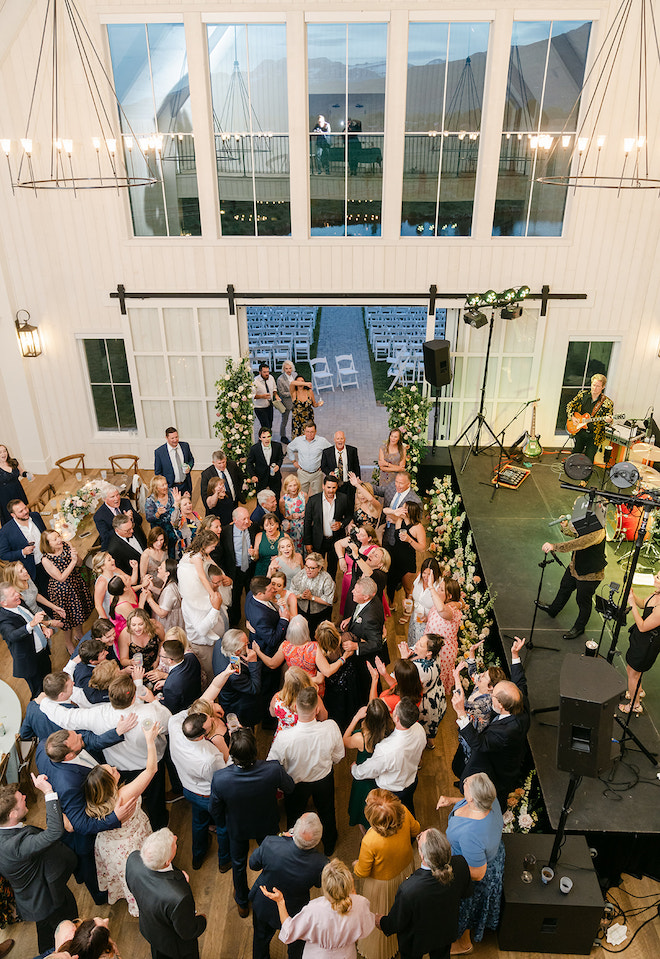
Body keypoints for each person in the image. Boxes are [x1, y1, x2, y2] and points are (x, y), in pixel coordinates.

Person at [209, 727, 295, 918]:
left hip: (237, 826)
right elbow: (289, 787)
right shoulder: (273, 769)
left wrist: (225, 824)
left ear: (232, 755)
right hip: (266, 823)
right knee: (270, 860)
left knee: (238, 864)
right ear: (255, 751)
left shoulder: (220, 778)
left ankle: (242, 902)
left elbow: (214, 809)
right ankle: (272, 894)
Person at [84, 721, 161, 916]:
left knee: (123, 874)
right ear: (110, 783)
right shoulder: (124, 794)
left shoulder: (92, 801)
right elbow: (151, 770)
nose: (114, 767)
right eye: (112, 771)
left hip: (110, 847)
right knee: (145, 871)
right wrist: (150, 740)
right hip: (133, 840)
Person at [0, 774, 77, 953]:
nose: (25, 797)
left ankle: (46, 952)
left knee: (45, 929)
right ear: (12, 814)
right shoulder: (15, 846)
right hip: (46, 897)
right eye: (21, 799)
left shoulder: (6, 833)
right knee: (66, 926)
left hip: (32, 897)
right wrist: (48, 791)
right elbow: (54, 833)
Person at [452, 636, 530, 809]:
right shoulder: (519, 700)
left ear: (501, 705)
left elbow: (478, 744)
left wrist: (460, 713)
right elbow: (520, 681)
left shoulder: (506, 731)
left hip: (497, 768)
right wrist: (515, 654)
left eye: (493, 696)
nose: (491, 695)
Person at [268, 686, 344, 855]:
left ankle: (294, 847)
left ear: (295, 708)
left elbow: (272, 764)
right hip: (324, 779)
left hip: (296, 783)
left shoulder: (284, 737)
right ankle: (329, 844)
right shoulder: (330, 727)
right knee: (327, 811)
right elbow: (339, 756)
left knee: (294, 815)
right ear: (317, 709)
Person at [168, 673, 232, 872]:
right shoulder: (209, 756)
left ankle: (197, 856)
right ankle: (224, 861)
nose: (211, 719)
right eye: (210, 723)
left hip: (188, 789)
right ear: (203, 736)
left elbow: (208, 694)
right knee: (222, 826)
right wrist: (222, 743)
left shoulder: (176, 723)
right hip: (208, 794)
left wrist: (228, 671)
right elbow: (225, 775)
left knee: (198, 822)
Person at [378, 828, 472, 959]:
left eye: (420, 837)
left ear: (422, 855)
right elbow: (465, 894)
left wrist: (380, 921)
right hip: (445, 932)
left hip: (415, 941)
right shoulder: (461, 863)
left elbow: (396, 922)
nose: (419, 834)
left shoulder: (408, 889)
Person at [439, 773, 505, 954]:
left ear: (472, 798)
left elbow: (477, 874)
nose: (465, 779)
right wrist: (452, 800)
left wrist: (448, 873)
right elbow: (471, 801)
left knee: (463, 911)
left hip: (474, 872)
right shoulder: (491, 800)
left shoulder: (471, 834)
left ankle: (463, 944)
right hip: (486, 851)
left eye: (467, 782)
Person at [249, 812, 328, 959]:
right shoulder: (321, 863)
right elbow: (318, 884)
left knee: (260, 939)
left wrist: (282, 837)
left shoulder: (271, 843)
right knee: (296, 947)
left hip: (265, 902)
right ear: (317, 841)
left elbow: (253, 864)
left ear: (294, 831)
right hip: (295, 911)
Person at [262, 858, 375, 958]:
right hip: (346, 954)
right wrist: (353, 892)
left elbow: (289, 933)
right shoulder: (361, 903)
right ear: (349, 882)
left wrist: (280, 902)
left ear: (325, 887)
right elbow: (366, 928)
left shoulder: (313, 909)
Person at [353, 789, 420, 959]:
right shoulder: (404, 812)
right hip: (405, 870)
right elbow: (416, 829)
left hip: (381, 883)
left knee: (380, 915)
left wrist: (355, 865)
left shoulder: (370, 840)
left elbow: (362, 872)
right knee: (403, 909)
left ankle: (380, 950)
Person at [126, 828, 206, 959]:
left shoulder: (133, 860)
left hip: (150, 929)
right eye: (173, 843)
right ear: (167, 862)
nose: (175, 837)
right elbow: (187, 931)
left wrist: (177, 877)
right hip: (176, 947)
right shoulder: (179, 897)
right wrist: (202, 920)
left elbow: (132, 887)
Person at [351, 698, 426, 816]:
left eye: (395, 709)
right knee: (409, 812)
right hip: (411, 781)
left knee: (392, 819)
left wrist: (355, 769)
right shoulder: (419, 729)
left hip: (392, 791)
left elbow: (368, 770)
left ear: (397, 718)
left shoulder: (386, 749)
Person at [539, 514, 608, 640]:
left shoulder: (598, 530)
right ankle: (553, 609)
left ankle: (579, 627)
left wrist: (555, 546)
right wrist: (566, 526)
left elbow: (578, 543)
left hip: (590, 573)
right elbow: (576, 533)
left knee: (583, 601)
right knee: (565, 587)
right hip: (576, 565)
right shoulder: (589, 521)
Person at [344, 700, 395, 832]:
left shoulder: (361, 737)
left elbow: (344, 741)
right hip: (383, 778)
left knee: (363, 810)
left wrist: (355, 718)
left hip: (364, 780)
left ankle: (367, 836)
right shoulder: (392, 730)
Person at [41, 529, 94, 654]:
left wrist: (76, 558)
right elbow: (61, 577)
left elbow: (80, 564)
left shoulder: (67, 545)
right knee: (67, 620)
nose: (59, 540)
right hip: (61, 591)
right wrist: (73, 562)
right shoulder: (46, 559)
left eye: (58, 536)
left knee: (78, 612)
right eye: (54, 539)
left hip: (75, 583)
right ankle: (68, 643)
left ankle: (79, 633)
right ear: (48, 544)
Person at [0, 580, 52, 696]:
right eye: (13, 595)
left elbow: (30, 618)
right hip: (30, 661)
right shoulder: (3, 619)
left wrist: (43, 627)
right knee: (39, 692)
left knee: (49, 681)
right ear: (4, 603)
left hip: (42, 652)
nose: (17, 595)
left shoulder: (19, 602)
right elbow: (12, 636)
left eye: (15, 592)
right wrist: (32, 624)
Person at [341, 577, 387, 700]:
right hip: (360, 633)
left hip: (366, 657)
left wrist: (356, 646)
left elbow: (376, 643)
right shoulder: (372, 598)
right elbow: (360, 611)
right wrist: (351, 619)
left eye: (356, 591)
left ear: (366, 596)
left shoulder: (370, 618)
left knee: (366, 684)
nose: (352, 592)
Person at [621, 569, 660, 713]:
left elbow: (643, 627)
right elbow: (644, 604)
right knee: (635, 671)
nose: (655, 578)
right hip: (642, 639)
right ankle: (639, 690)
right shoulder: (656, 594)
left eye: (658, 577)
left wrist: (631, 605)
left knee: (632, 671)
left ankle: (634, 704)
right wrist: (633, 596)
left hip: (648, 643)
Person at [398, 635, 446, 749]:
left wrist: (404, 659)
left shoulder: (421, 670)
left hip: (425, 701)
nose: (416, 645)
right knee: (431, 726)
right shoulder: (436, 656)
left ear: (429, 653)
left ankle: (424, 747)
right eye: (419, 640)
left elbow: (401, 677)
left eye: (420, 644)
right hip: (436, 691)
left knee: (423, 728)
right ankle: (431, 743)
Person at [211, 629, 262, 728]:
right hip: (238, 706)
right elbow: (254, 688)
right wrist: (253, 662)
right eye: (246, 644)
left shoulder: (220, 643)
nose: (249, 644)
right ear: (237, 651)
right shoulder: (234, 674)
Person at [304, 474, 351, 580]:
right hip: (318, 540)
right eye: (328, 487)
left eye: (333, 487)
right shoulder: (313, 500)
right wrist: (308, 542)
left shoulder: (343, 498)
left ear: (337, 487)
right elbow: (307, 522)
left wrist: (341, 524)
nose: (331, 490)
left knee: (332, 568)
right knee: (316, 567)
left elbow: (349, 516)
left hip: (335, 541)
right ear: (323, 486)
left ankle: (330, 590)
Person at [316, 620, 361, 732]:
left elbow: (327, 672)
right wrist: (345, 657)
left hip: (335, 685)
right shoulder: (347, 637)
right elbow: (362, 641)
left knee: (337, 709)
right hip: (350, 678)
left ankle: (338, 728)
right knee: (351, 701)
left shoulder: (322, 651)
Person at [384, 501, 426, 611]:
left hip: (408, 562)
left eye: (404, 508)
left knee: (408, 589)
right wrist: (394, 514)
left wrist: (409, 540)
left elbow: (422, 548)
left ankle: (407, 612)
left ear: (409, 512)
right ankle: (391, 604)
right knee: (390, 584)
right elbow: (385, 511)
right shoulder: (400, 519)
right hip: (394, 559)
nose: (401, 509)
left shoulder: (418, 527)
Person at [426, 576, 463, 697]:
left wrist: (431, 586)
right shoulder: (445, 603)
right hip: (430, 645)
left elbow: (442, 610)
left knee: (435, 680)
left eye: (441, 589)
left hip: (442, 652)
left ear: (450, 595)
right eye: (439, 587)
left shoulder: (451, 610)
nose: (437, 590)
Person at [1, 559, 65, 628]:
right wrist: (49, 623)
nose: (25, 571)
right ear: (14, 577)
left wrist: (54, 607)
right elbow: (27, 619)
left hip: (40, 613)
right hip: (33, 622)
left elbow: (36, 595)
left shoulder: (27, 578)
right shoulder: (16, 595)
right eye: (21, 571)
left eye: (23, 568)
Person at [566, 372, 614, 463]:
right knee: (575, 454)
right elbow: (570, 405)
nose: (594, 388)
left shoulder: (608, 403)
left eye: (598, 386)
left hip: (594, 435)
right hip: (580, 431)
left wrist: (609, 420)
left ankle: (586, 475)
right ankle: (571, 472)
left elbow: (609, 419)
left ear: (603, 387)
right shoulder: (582, 395)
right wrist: (572, 417)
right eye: (593, 385)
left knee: (589, 458)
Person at [0, 498, 47, 590]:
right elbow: (3, 555)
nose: (26, 512)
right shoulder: (5, 531)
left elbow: (45, 534)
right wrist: (22, 552)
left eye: (25, 508)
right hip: (33, 570)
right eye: (21, 511)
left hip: (48, 559)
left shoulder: (36, 516)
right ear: (13, 515)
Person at [219, 506, 253, 626]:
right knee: (235, 598)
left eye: (248, 518)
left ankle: (252, 620)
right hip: (234, 571)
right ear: (234, 520)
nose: (247, 521)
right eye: (243, 519)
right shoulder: (226, 532)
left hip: (250, 569)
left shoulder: (253, 528)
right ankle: (235, 623)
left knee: (252, 596)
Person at [335, 524, 379, 616]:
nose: (358, 537)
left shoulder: (373, 551)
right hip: (348, 577)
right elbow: (337, 544)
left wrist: (356, 571)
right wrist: (341, 558)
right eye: (358, 533)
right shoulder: (352, 541)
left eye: (362, 535)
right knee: (346, 600)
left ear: (369, 538)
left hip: (360, 581)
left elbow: (370, 570)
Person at [290, 551, 336, 636]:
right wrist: (301, 596)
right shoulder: (301, 574)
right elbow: (292, 590)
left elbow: (329, 600)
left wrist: (312, 598)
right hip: (302, 611)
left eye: (312, 568)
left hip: (320, 614)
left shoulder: (326, 579)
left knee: (318, 636)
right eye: (306, 566)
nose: (308, 570)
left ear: (319, 568)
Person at [157, 639, 202, 714]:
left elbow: (170, 709)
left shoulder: (171, 686)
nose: (160, 658)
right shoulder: (191, 657)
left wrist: (155, 700)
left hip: (184, 710)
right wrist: (166, 682)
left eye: (161, 656)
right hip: (195, 697)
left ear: (170, 660)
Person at [287, 422, 332, 496]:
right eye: (307, 432)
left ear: (316, 431)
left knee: (317, 496)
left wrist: (324, 465)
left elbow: (331, 451)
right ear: (304, 431)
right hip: (303, 473)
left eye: (312, 432)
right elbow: (289, 448)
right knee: (301, 496)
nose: (309, 434)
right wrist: (293, 461)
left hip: (317, 474)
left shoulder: (322, 441)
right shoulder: (298, 440)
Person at [93, 550, 139, 621]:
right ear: (102, 566)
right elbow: (98, 605)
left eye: (112, 558)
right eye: (109, 560)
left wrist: (135, 568)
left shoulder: (116, 570)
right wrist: (107, 622)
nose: (113, 560)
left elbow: (132, 582)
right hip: (113, 615)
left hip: (125, 608)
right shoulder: (101, 582)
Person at [94, 485, 142, 551]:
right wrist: (123, 522)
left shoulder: (125, 502)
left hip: (133, 536)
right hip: (116, 544)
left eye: (117, 495)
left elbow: (140, 520)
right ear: (104, 499)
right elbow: (106, 537)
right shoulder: (99, 516)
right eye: (112, 497)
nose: (116, 499)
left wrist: (131, 518)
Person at [117, 608, 164, 674]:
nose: (137, 628)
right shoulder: (125, 634)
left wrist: (157, 660)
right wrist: (130, 662)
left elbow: (163, 641)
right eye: (133, 625)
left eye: (140, 624)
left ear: (146, 622)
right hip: (137, 671)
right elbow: (123, 660)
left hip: (156, 667)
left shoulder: (156, 626)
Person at [321, 432, 361, 509]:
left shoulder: (352, 450)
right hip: (335, 484)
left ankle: (349, 520)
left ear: (344, 439)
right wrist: (330, 473)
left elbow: (356, 467)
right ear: (334, 440)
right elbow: (323, 466)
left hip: (349, 484)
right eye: (338, 439)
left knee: (350, 504)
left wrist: (357, 481)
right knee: (336, 505)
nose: (340, 441)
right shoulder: (327, 452)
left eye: (341, 438)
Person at [144, 477, 182, 558]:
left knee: (173, 550)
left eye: (165, 484)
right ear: (156, 488)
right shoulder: (150, 500)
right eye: (162, 485)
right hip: (159, 531)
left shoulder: (172, 493)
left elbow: (177, 511)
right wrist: (157, 514)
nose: (165, 487)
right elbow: (149, 518)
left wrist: (178, 502)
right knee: (161, 553)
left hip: (172, 529)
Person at [407, 558, 442, 645]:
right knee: (413, 640)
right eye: (424, 573)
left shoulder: (440, 585)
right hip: (416, 617)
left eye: (429, 574)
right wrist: (409, 598)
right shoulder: (419, 576)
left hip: (429, 624)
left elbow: (442, 608)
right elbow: (413, 589)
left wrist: (429, 619)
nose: (425, 577)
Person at [154, 427, 194, 496]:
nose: (175, 440)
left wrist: (189, 466)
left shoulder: (185, 446)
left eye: (176, 437)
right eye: (172, 438)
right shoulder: (159, 452)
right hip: (170, 488)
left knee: (187, 506)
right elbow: (158, 472)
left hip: (186, 485)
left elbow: (191, 460)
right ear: (166, 438)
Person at [146, 557, 184, 631]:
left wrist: (149, 599)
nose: (158, 568)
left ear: (167, 573)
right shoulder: (172, 584)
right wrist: (152, 588)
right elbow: (166, 596)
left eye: (161, 568)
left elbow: (162, 613)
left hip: (169, 626)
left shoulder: (170, 590)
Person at [248, 427, 284, 497]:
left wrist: (278, 466)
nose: (267, 439)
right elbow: (249, 463)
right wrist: (253, 475)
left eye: (268, 437)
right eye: (264, 437)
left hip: (275, 477)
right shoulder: (254, 449)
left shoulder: (277, 446)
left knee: (276, 497)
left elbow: (280, 458)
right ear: (260, 438)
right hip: (260, 478)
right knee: (260, 498)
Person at [0, 444, 28, 524]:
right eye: (0, 452)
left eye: (4, 451)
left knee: (23, 511)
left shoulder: (13, 462)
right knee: (10, 516)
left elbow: (21, 472)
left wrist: (27, 474)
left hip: (17, 490)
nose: (3, 454)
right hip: (5, 496)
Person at [280, 474, 306, 554]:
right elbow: (283, 516)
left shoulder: (304, 495)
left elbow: (309, 510)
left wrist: (304, 513)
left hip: (304, 526)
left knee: (305, 547)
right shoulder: (283, 500)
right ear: (286, 487)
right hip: (291, 528)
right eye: (290, 486)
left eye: (295, 485)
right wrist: (291, 517)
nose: (293, 488)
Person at [377, 428, 407, 494]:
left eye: (395, 437)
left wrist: (387, 464)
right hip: (385, 479)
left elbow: (402, 468)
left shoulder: (402, 449)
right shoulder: (383, 448)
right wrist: (397, 468)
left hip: (397, 480)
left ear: (399, 438)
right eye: (392, 436)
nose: (393, 439)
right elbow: (382, 468)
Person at [139, 527, 168, 594]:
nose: (159, 543)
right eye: (156, 540)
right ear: (151, 540)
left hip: (165, 585)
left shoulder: (165, 549)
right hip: (152, 587)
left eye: (161, 540)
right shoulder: (146, 554)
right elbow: (143, 577)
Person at [253, 362, 279, 432]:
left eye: (268, 371)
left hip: (269, 405)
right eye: (264, 372)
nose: (267, 374)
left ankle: (265, 440)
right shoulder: (255, 381)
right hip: (259, 407)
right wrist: (262, 396)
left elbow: (274, 389)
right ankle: (264, 440)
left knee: (270, 425)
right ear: (260, 372)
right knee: (265, 425)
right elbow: (252, 396)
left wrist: (276, 395)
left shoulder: (271, 378)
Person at [276, 359, 296, 444]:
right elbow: (282, 393)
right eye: (286, 368)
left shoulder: (295, 375)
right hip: (286, 403)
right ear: (284, 369)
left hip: (295, 402)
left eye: (290, 368)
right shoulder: (280, 379)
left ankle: (295, 436)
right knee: (285, 420)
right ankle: (283, 436)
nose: (288, 370)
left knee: (295, 420)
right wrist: (292, 393)